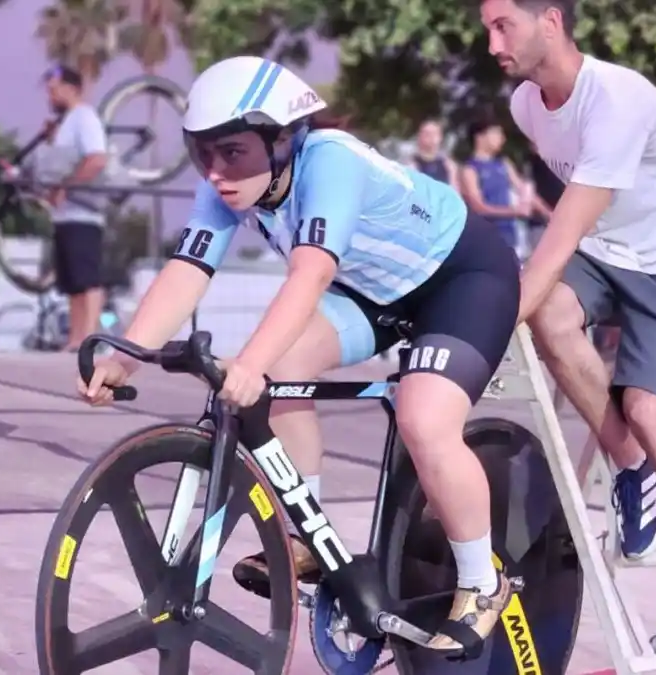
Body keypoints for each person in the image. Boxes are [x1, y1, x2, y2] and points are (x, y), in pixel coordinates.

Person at [78, 55, 522, 655]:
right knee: (283, 373)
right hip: (372, 293)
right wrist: (125, 355)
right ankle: (308, 537)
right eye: (200, 154)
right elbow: (187, 270)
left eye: (230, 152)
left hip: (461, 281)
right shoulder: (231, 183)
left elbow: (309, 276)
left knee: (423, 418)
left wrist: (249, 363)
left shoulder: (331, 161)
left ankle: (482, 582)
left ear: (283, 139)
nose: (215, 172)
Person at [479, 0, 656, 656]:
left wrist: (486, 329)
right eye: (486, 27)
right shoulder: (526, 106)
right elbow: (570, 239)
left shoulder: (618, 99)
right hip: (603, 254)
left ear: (551, 21)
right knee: (550, 313)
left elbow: (559, 235)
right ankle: (628, 463)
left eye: (502, 25)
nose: (491, 43)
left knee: (652, 409)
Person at [42, 64, 109, 351]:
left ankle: (90, 337)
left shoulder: (84, 117)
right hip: (64, 216)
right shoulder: (66, 122)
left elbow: (96, 158)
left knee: (87, 277)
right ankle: (75, 338)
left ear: (71, 88)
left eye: (54, 90)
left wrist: (66, 186)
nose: (50, 96)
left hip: (84, 213)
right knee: (71, 282)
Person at [459, 114, 550, 254]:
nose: (502, 138)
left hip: (511, 239)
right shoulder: (469, 170)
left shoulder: (504, 164)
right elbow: (478, 207)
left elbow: (523, 191)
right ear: (480, 137)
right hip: (485, 241)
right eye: (496, 133)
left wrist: (549, 214)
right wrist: (514, 211)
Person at [407, 118, 460, 190]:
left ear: (440, 137)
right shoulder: (411, 165)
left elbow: (455, 193)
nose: (431, 137)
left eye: (434, 133)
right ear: (420, 136)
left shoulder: (449, 165)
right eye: (427, 134)